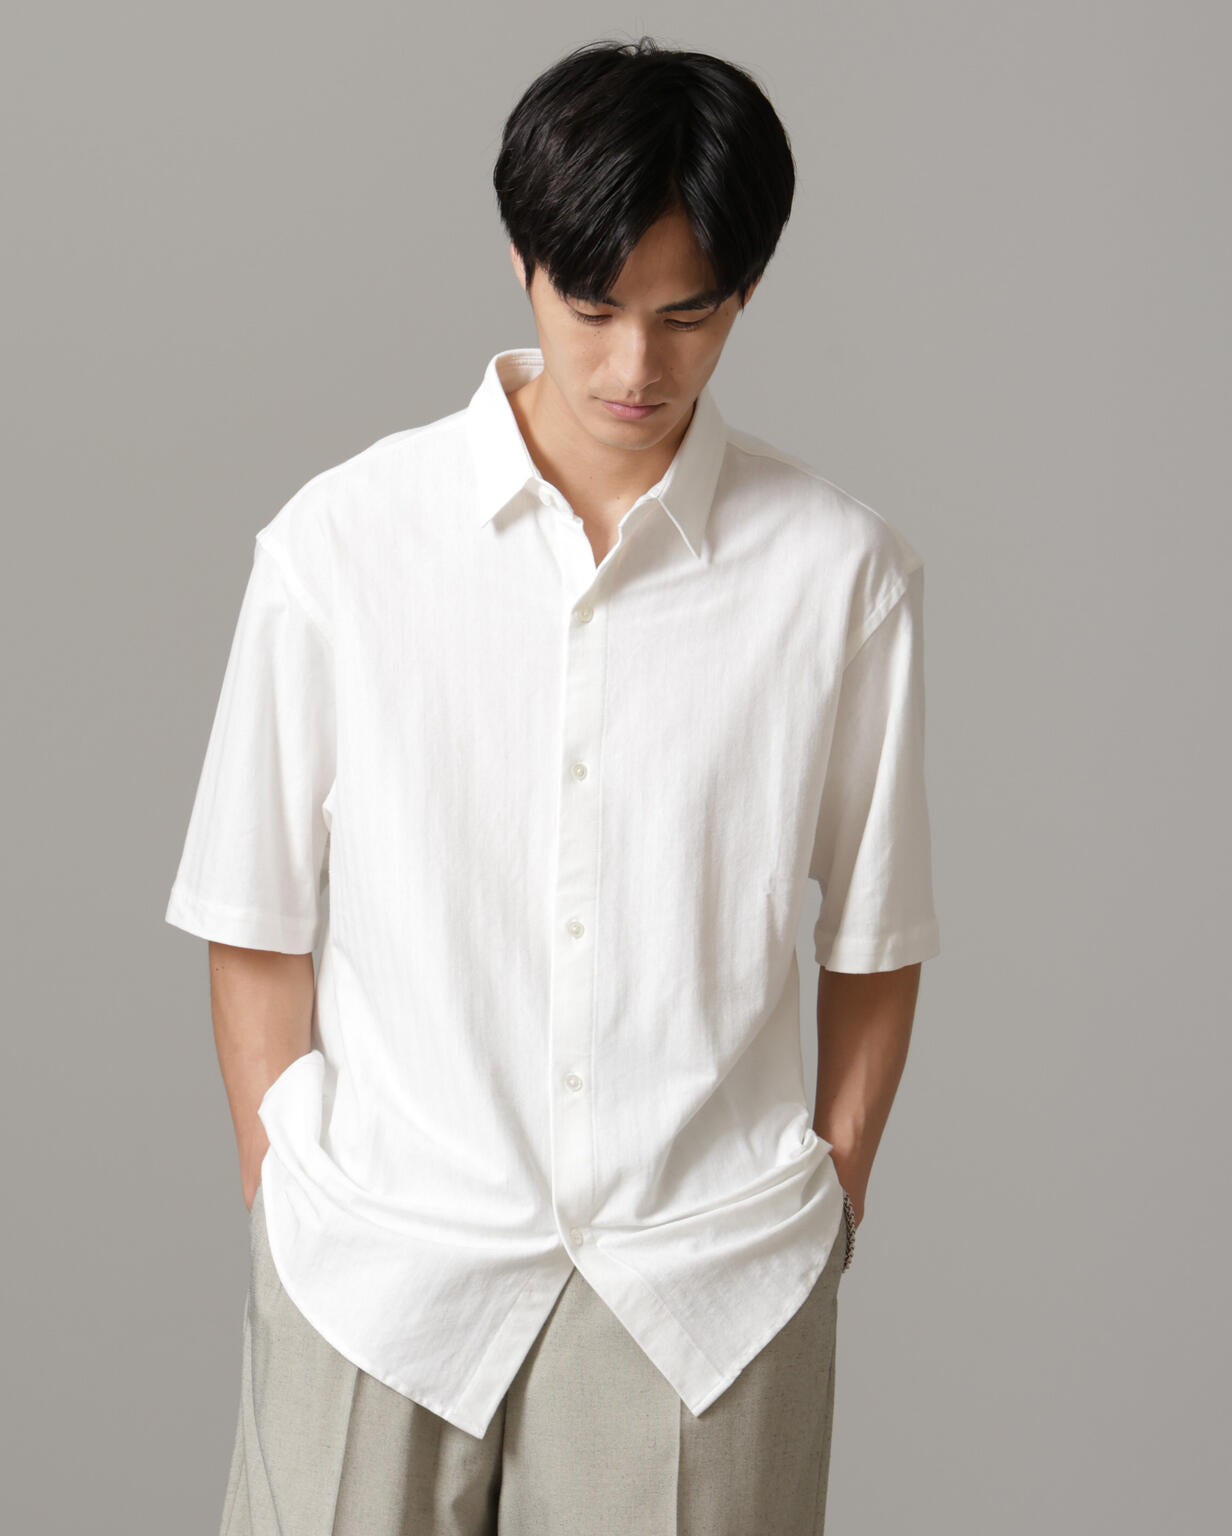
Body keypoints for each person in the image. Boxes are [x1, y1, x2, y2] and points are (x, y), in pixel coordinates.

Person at [165, 35, 940, 1536]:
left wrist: (830, 1198)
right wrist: (286, 1190)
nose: (635, 367)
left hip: (705, 1285)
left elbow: (877, 935)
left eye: (686, 313)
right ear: (522, 264)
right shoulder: (340, 548)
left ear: (747, 290)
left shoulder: (843, 579)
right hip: (378, 1263)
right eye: (591, 307)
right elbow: (253, 915)